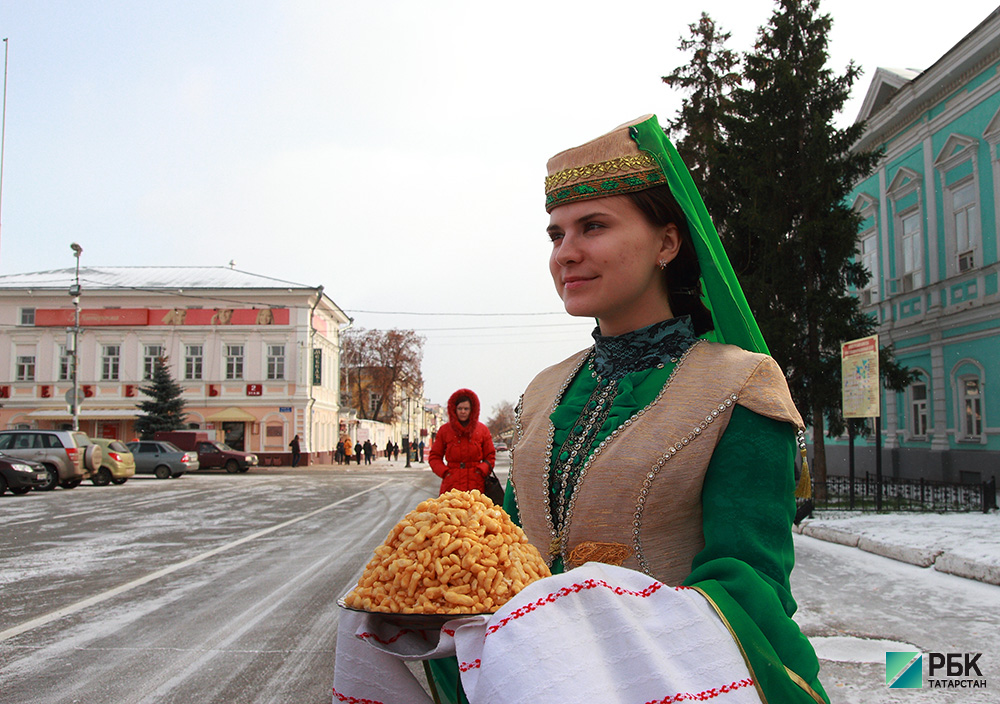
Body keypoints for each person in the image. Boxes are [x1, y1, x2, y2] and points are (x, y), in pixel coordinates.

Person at [429, 115, 828, 703]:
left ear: (667, 242)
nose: (567, 253)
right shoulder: (543, 391)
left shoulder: (741, 384)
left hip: (673, 686)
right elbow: (508, 554)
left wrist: (583, 644)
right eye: (555, 235)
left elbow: (750, 586)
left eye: (593, 226)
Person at [428, 389, 496, 496]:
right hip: (452, 485)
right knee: (450, 511)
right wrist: (445, 472)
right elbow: (434, 457)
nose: (463, 411)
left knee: (476, 511)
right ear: (454, 410)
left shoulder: (482, 430)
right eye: (460, 408)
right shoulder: (445, 430)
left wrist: (482, 470)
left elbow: (490, 456)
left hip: (476, 485)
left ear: (472, 410)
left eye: (466, 408)